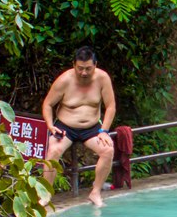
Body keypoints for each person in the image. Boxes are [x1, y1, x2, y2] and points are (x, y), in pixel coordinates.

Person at [42, 45, 119, 208]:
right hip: (65, 126)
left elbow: (110, 106)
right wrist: (50, 125)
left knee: (108, 150)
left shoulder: (102, 79)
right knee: (53, 150)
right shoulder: (64, 80)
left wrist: (104, 130)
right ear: (74, 65)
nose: (84, 72)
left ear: (95, 65)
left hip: (92, 127)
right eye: (80, 68)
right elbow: (48, 104)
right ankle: (45, 193)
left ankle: (95, 192)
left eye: (88, 69)